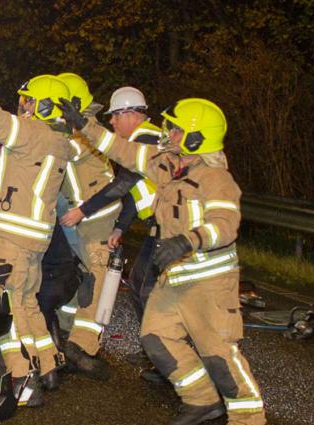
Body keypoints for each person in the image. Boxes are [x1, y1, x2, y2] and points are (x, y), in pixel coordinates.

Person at [60, 98, 265, 425]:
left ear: (196, 137)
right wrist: (86, 127)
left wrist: (189, 240)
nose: (167, 132)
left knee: (219, 357)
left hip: (208, 282)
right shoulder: (166, 163)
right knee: (155, 338)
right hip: (174, 278)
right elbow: (121, 150)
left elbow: (225, 225)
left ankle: (249, 418)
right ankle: (202, 401)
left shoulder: (217, 180)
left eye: (176, 128)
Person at [0, 50, 74, 407]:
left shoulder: (32, 132)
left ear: (44, 107)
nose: (23, 106)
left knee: (7, 309)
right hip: (34, 239)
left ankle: (23, 381)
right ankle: (49, 366)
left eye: (29, 101)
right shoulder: (58, 140)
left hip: (12, 238)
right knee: (28, 304)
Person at [59, 87, 163, 374]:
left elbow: (122, 184)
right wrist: (121, 226)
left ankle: (166, 355)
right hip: (160, 228)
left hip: (173, 229)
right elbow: (133, 191)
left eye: (115, 117)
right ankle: (158, 353)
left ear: (130, 114)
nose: (113, 123)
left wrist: (82, 210)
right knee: (143, 288)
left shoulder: (147, 139)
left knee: (154, 292)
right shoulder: (139, 140)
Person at [52, 73, 121, 381]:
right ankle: (68, 338)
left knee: (94, 283)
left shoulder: (79, 136)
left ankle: (81, 346)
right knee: (80, 280)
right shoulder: (85, 131)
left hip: (96, 223)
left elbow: (56, 153)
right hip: (88, 220)